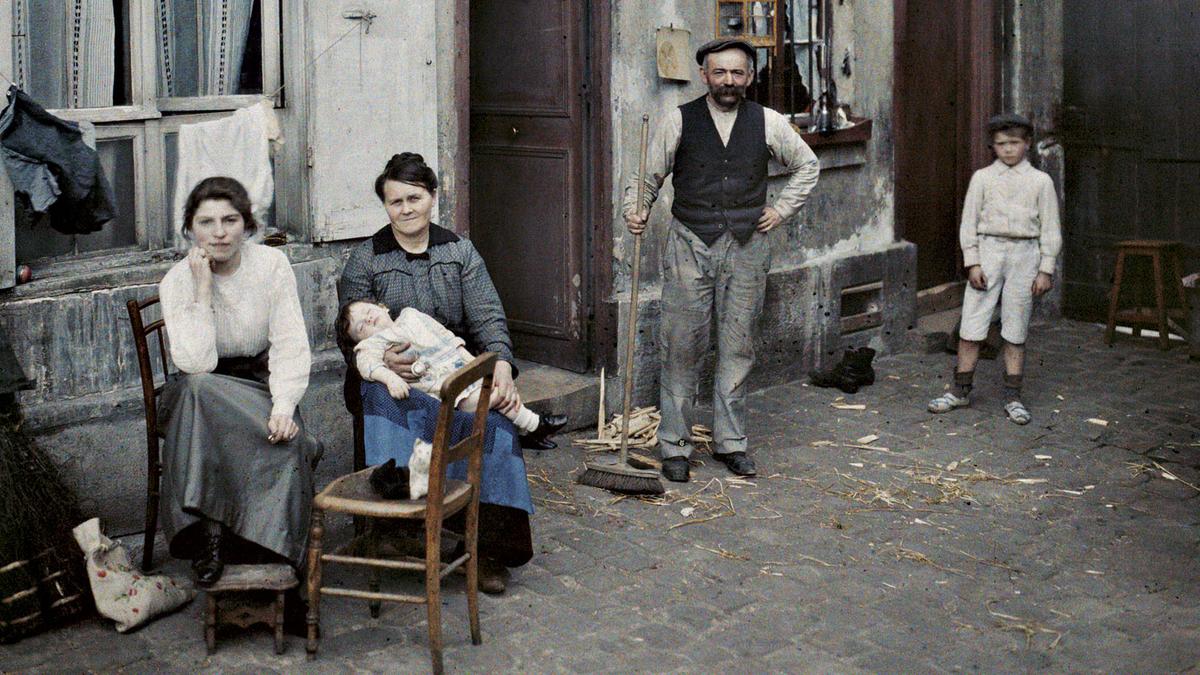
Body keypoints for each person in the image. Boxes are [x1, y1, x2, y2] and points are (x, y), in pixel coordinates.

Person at [338, 152, 565, 593]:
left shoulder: (459, 251)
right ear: (384, 207)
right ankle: (397, 533)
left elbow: (488, 316)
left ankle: (487, 551)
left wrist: (500, 362)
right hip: (385, 378)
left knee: (494, 422)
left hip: (451, 368)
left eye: (414, 198)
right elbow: (349, 335)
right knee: (389, 403)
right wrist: (383, 365)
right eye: (394, 201)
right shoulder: (366, 259)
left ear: (432, 197)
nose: (405, 209)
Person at [624, 38, 819, 483]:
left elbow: (807, 165)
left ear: (749, 77)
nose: (728, 81)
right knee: (681, 345)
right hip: (690, 243)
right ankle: (674, 445)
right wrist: (636, 210)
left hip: (748, 245)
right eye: (720, 72)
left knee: (738, 344)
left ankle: (731, 442)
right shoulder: (679, 120)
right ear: (705, 76)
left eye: (737, 73)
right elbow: (646, 177)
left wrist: (781, 209)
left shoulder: (768, 121)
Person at [157, 176, 323, 588]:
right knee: (198, 389)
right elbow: (196, 362)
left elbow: (289, 341)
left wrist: (284, 406)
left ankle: (277, 557)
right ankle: (210, 537)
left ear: (246, 225)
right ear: (189, 229)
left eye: (230, 220)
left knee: (287, 444)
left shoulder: (271, 266)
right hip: (197, 395)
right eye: (206, 222)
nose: (218, 232)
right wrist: (202, 289)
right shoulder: (177, 282)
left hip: (259, 386)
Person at [927, 113, 1061, 424]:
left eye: (1014, 143)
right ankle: (960, 391)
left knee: (1015, 325)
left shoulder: (1041, 182)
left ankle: (1013, 397)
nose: (1008, 150)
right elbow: (969, 223)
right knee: (973, 322)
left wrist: (1045, 268)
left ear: (1026, 144)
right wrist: (972, 261)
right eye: (1001, 144)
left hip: (1025, 254)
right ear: (993, 146)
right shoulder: (983, 178)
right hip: (989, 251)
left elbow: (1051, 229)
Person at [336, 299, 563, 444]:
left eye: (367, 310)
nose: (367, 318)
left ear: (382, 306)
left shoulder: (411, 315)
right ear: (360, 340)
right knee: (484, 398)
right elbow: (366, 364)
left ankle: (531, 427)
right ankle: (533, 423)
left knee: (494, 385)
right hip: (444, 390)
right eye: (361, 327)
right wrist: (390, 377)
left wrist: (477, 365)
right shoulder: (373, 344)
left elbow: (446, 337)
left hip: (459, 366)